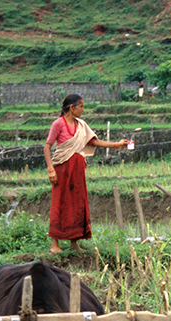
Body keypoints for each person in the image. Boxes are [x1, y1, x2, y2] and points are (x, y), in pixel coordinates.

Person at [44, 93, 128, 253]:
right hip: (62, 170)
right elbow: (46, 147)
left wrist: (116, 145)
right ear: (72, 108)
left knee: (77, 203)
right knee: (59, 202)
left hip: (77, 171)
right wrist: (50, 170)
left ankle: (74, 242)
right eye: (81, 106)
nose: (83, 110)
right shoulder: (58, 124)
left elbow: (94, 141)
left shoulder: (81, 125)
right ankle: (54, 245)